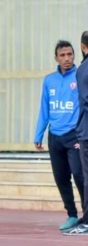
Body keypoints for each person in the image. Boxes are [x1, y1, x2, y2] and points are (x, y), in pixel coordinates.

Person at [34, 40, 84, 231]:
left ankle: (86, 215)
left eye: (70, 54)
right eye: (62, 55)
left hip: (75, 135)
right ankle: (71, 215)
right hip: (54, 136)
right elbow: (44, 108)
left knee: (80, 175)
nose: (67, 59)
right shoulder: (49, 80)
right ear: (56, 57)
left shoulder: (80, 76)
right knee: (61, 178)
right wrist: (38, 134)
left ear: (74, 55)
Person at [64, 32, 88, 235]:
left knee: (85, 175)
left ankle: (87, 220)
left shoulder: (83, 69)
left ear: (82, 47)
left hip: (85, 132)